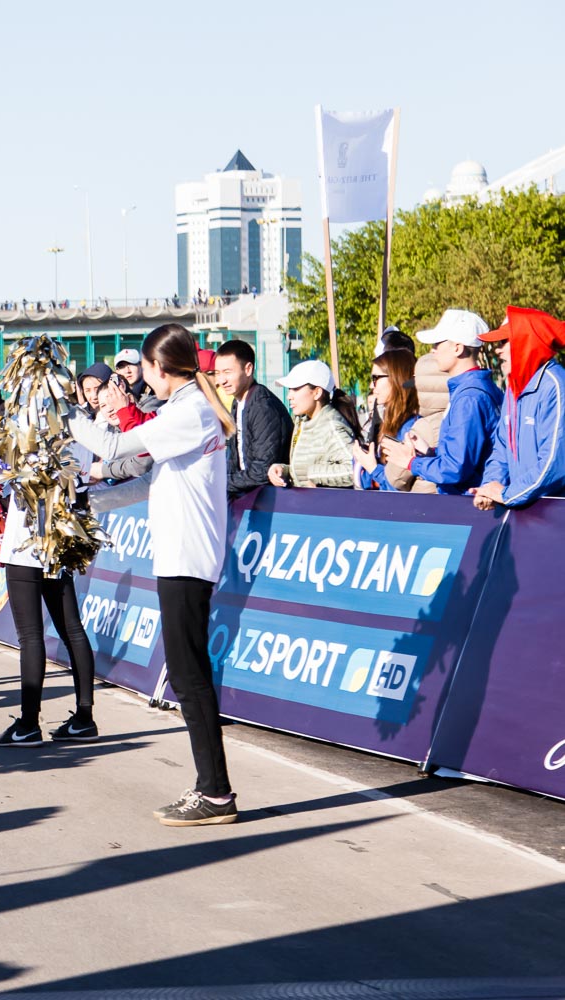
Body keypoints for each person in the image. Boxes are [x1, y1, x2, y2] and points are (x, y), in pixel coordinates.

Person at [68, 323, 240, 826]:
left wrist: (63, 410)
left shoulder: (190, 412)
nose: (141, 378)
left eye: (144, 369)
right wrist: (89, 499)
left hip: (187, 558)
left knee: (189, 678)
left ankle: (215, 793)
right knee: (189, 675)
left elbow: (115, 446)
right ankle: (213, 788)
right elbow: (146, 479)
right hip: (181, 556)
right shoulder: (183, 408)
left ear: (160, 369)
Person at [0, 437, 98, 747]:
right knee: (72, 629)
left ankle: (28, 724)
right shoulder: (80, 433)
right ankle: (84, 718)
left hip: (25, 545)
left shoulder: (28, 431)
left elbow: (8, 478)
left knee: (30, 636)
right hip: (60, 543)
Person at [386, 309, 503, 494]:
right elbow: (467, 457)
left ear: (457, 348)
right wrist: (431, 452)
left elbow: (455, 469)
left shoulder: (468, 398)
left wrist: (411, 462)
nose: (432, 350)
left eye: (437, 344)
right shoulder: (476, 390)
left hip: (467, 504)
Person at [475, 307, 565, 509]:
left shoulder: (556, 386)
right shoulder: (513, 387)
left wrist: (506, 494)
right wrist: (489, 487)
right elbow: (501, 448)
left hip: (555, 514)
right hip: (523, 508)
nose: (497, 350)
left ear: (527, 342)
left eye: (504, 341)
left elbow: (554, 464)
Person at [213, 339, 293, 498]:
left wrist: (220, 483)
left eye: (228, 372)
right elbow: (236, 458)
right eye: (217, 373)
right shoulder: (238, 402)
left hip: (271, 499)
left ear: (248, 369)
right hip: (249, 495)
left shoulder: (262, 406)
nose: (221, 380)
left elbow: (262, 470)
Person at [267, 360, 359, 489]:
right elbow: (305, 470)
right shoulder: (302, 421)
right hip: (307, 501)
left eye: (296, 389)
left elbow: (355, 469)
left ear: (317, 392)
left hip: (326, 502)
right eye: (289, 390)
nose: (289, 396)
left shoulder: (331, 426)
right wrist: (283, 470)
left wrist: (315, 475)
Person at [354, 349, 422, 491]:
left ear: (396, 378)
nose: (371, 385)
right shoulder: (386, 422)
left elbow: (397, 488)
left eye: (376, 378)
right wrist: (363, 461)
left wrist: (373, 468)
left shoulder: (411, 428)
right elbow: (369, 483)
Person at [113, 348, 163, 414]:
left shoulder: (154, 392)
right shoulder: (113, 395)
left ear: (141, 365)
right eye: (122, 367)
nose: (127, 371)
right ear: (117, 371)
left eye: (131, 364)